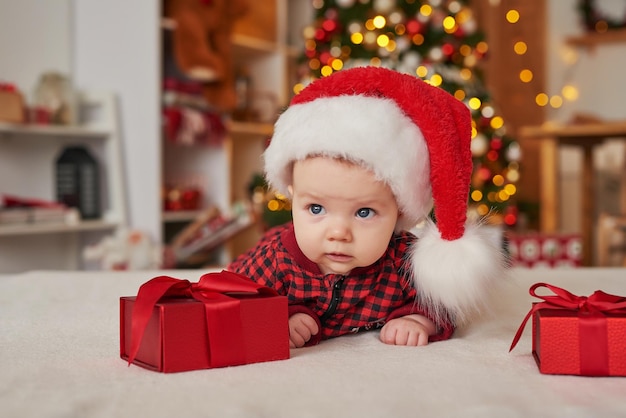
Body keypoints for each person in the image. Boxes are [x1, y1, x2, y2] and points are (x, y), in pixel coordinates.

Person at [227, 66, 507, 348]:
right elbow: (230, 294)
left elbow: (447, 305)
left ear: (399, 210)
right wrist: (281, 317)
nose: (338, 233)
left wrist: (417, 320)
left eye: (364, 212)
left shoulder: (402, 263)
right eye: (315, 209)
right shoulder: (277, 260)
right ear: (292, 196)